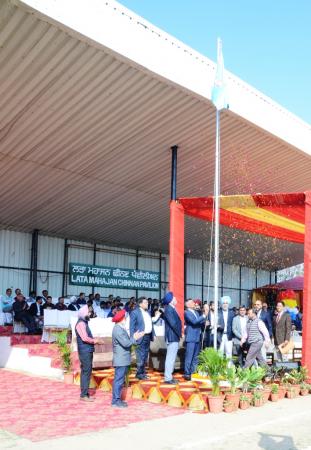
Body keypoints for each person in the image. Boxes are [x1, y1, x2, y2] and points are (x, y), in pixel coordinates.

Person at [111, 309, 144, 408]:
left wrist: (133, 336)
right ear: (122, 319)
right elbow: (126, 343)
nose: (126, 319)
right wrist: (135, 338)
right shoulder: (118, 329)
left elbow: (127, 341)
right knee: (118, 380)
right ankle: (115, 401)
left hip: (123, 359)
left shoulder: (120, 328)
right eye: (125, 317)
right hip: (121, 359)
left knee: (119, 380)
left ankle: (117, 400)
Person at [75, 305, 104, 401]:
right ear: (84, 313)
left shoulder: (84, 322)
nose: (90, 314)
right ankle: (83, 395)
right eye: (88, 312)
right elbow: (84, 338)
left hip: (87, 350)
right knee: (86, 372)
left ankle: (85, 393)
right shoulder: (81, 324)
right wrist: (95, 341)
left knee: (86, 372)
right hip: (85, 351)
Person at [129, 296, 161, 380]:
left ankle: (142, 372)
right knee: (140, 355)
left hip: (147, 336)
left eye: (147, 302)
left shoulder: (147, 312)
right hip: (140, 336)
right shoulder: (135, 312)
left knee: (145, 355)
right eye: (145, 302)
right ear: (140, 304)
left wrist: (153, 333)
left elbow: (150, 323)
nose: (147, 304)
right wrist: (133, 338)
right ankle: (139, 374)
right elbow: (131, 326)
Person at [161, 291, 182, 384]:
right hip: (172, 336)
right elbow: (173, 324)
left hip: (174, 336)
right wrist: (179, 333)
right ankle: (168, 378)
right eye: (174, 298)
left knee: (172, 358)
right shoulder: (169, 309)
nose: (175, 299)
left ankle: (170, 376)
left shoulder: (172, 308)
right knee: (170, 358)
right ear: (170, 301)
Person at [184, 299, 208, 380]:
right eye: (192, 302)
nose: (194, 303)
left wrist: (204, 322)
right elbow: (194, 322)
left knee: (196, 357)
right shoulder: (186, 312)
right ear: (187, 305)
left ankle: (193, 372)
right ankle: (187, 373)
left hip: (197, 337)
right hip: (191, 338)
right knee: (189, 356)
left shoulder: (196, 312)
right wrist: (204, 316)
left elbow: (199, 322)